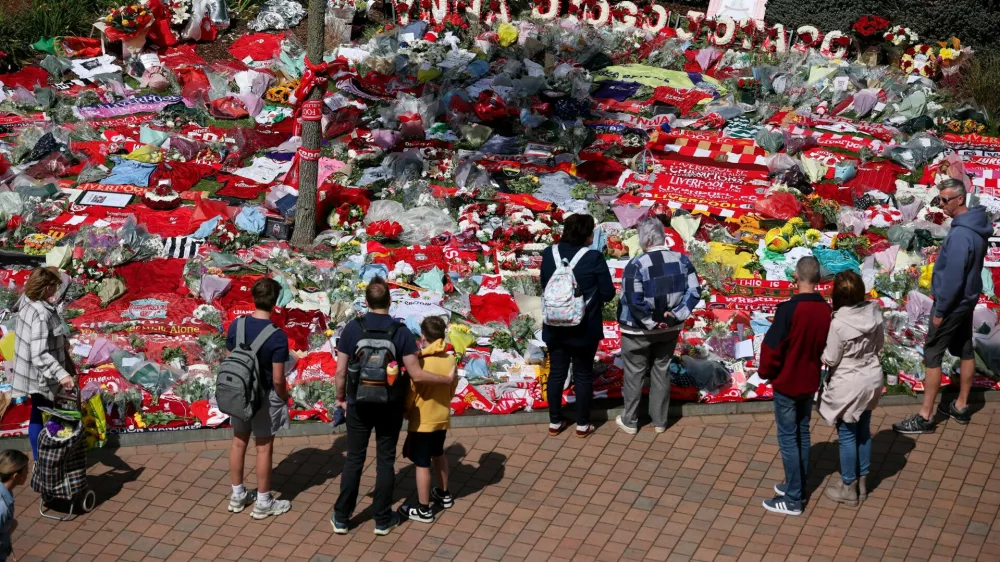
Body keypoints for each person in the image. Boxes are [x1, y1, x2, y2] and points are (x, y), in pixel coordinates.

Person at [332, 277, 457, 536]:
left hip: (359, 404)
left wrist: (341, 399)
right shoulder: (400, 332)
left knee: (354, 459)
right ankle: (382, 519)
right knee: (385, 460)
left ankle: (342, 517)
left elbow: (341, 371)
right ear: (390, 302)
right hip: (389, 405)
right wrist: (445, 380)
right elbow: (417, 374)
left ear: (366, 303)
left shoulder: (352, 329)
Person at [894, 179, 993, 433]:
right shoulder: (976, 226)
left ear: (960, 199)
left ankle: (925, 417)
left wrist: (940, 311)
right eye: (939, 199)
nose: (941, 205)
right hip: (967, 300)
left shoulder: (961, 235)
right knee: (965, 348)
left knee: (933, 353)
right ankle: (960, 405)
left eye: (945, 200)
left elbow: (952, 278)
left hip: (953, 304)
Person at [758, 257, 832, 516]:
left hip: (788, 381)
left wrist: (765, 373)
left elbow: (771, 349)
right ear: (819, 280)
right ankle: (794, 484)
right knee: (802, 434)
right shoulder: (825, 310)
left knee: (789, 439)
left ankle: (793, 499)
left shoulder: (789, 310)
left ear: (796, 278)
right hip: (809, 380)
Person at [615, 217, 701, 435]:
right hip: (669, 330)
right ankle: (660, 421)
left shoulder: (636, 265)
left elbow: (634, 300)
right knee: (660, 370)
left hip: (637, 330)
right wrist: (673, 316)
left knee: (634, 373)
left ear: (646, 240)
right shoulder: (683, 260)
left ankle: (630, 420)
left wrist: (651, 322)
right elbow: (694, 292)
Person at [540, 213, 615, 438]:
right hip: (584, 328)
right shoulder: (593, 258)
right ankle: (582, 425)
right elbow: (608, 293)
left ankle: (555, 422)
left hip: (554, 325)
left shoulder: (549, 253)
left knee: (556, 373)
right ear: (585, 233)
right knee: (583, 375)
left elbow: (545, 285)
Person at [225, 278, 292, 519]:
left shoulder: (237, 324)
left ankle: (237, 495)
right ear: (275, 302)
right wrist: (284, 397)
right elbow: (277, 378)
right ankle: (264, 502)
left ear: (253, 297)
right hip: (263, 395)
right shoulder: (277, 336)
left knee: (238, 442)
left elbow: (230, 356)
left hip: (239, 392)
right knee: (263, 448)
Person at [819, 270, 885, 507]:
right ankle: (863, 481)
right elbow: (879, 345)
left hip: (849, 382)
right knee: (864, 430)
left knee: (847, 434)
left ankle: (848, 486)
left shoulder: (838, 323)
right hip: (872, 377)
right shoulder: (875, 311)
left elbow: (831, 358)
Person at [11, 266, 75, 461]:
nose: (57, 289)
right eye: (55, 286)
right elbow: (39, 353)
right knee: (48, 413)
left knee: (38, 412)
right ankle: (47, 457)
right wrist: (61, 374)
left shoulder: (28, 301)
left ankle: (41, 458)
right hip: (42, 376)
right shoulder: (40, 313)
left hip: (30, 371)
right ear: (47, 287)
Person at [401, 315, 458, 523]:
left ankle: (423, 508)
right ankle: (444, 494)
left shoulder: (420, 362)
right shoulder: (450, 359)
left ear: (423, 337)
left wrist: (406, 410)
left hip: (422, 419)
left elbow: (411, 393)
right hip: (441, 416)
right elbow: (452, 387)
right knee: (439, 453)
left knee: (422, 463)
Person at [0, 450, 28, 562]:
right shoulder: (2, 508)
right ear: (16, 476)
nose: (28, 473)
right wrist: (9, 529)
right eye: (26, 470)